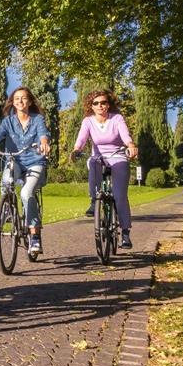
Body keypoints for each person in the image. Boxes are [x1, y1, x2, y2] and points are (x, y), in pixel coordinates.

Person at [0, 87, 51, 254]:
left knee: (26, 193)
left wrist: (44, 143)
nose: (20, 101)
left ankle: (34, 235)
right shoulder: (8, 121)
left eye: (24, 98)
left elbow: (43, 135)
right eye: (17, 98)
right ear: (13, 102)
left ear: (30, 101)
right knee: (7, 180)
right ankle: (7, 209)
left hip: (35, 162)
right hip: (14, 160)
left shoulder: (38, 119)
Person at [69, 90, 139, 249]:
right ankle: (95, 201)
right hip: (98, 158)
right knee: (93, 163)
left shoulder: (117, 118)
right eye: (96, 103)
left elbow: (125, 134)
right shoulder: (88, 121)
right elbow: (81, 138)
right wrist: (76, 149)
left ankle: (126, 233)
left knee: (120, 195)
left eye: (103, 102)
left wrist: (130, 145)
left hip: (118, 157)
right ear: (91, 106)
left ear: (109, 105)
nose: (100, 106)